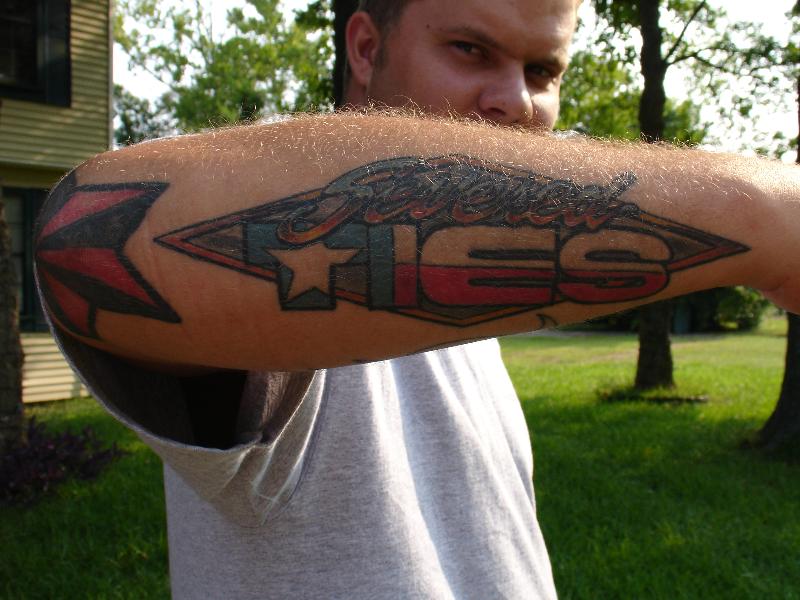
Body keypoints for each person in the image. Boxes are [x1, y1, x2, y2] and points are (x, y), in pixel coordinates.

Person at [35, 0, 800, 597]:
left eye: (542, 70)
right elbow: (82, 235)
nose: (517, 102)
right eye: (470, 49)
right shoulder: (293, 272)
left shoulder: (447, 266)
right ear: (366, 48)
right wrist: (763, 216)